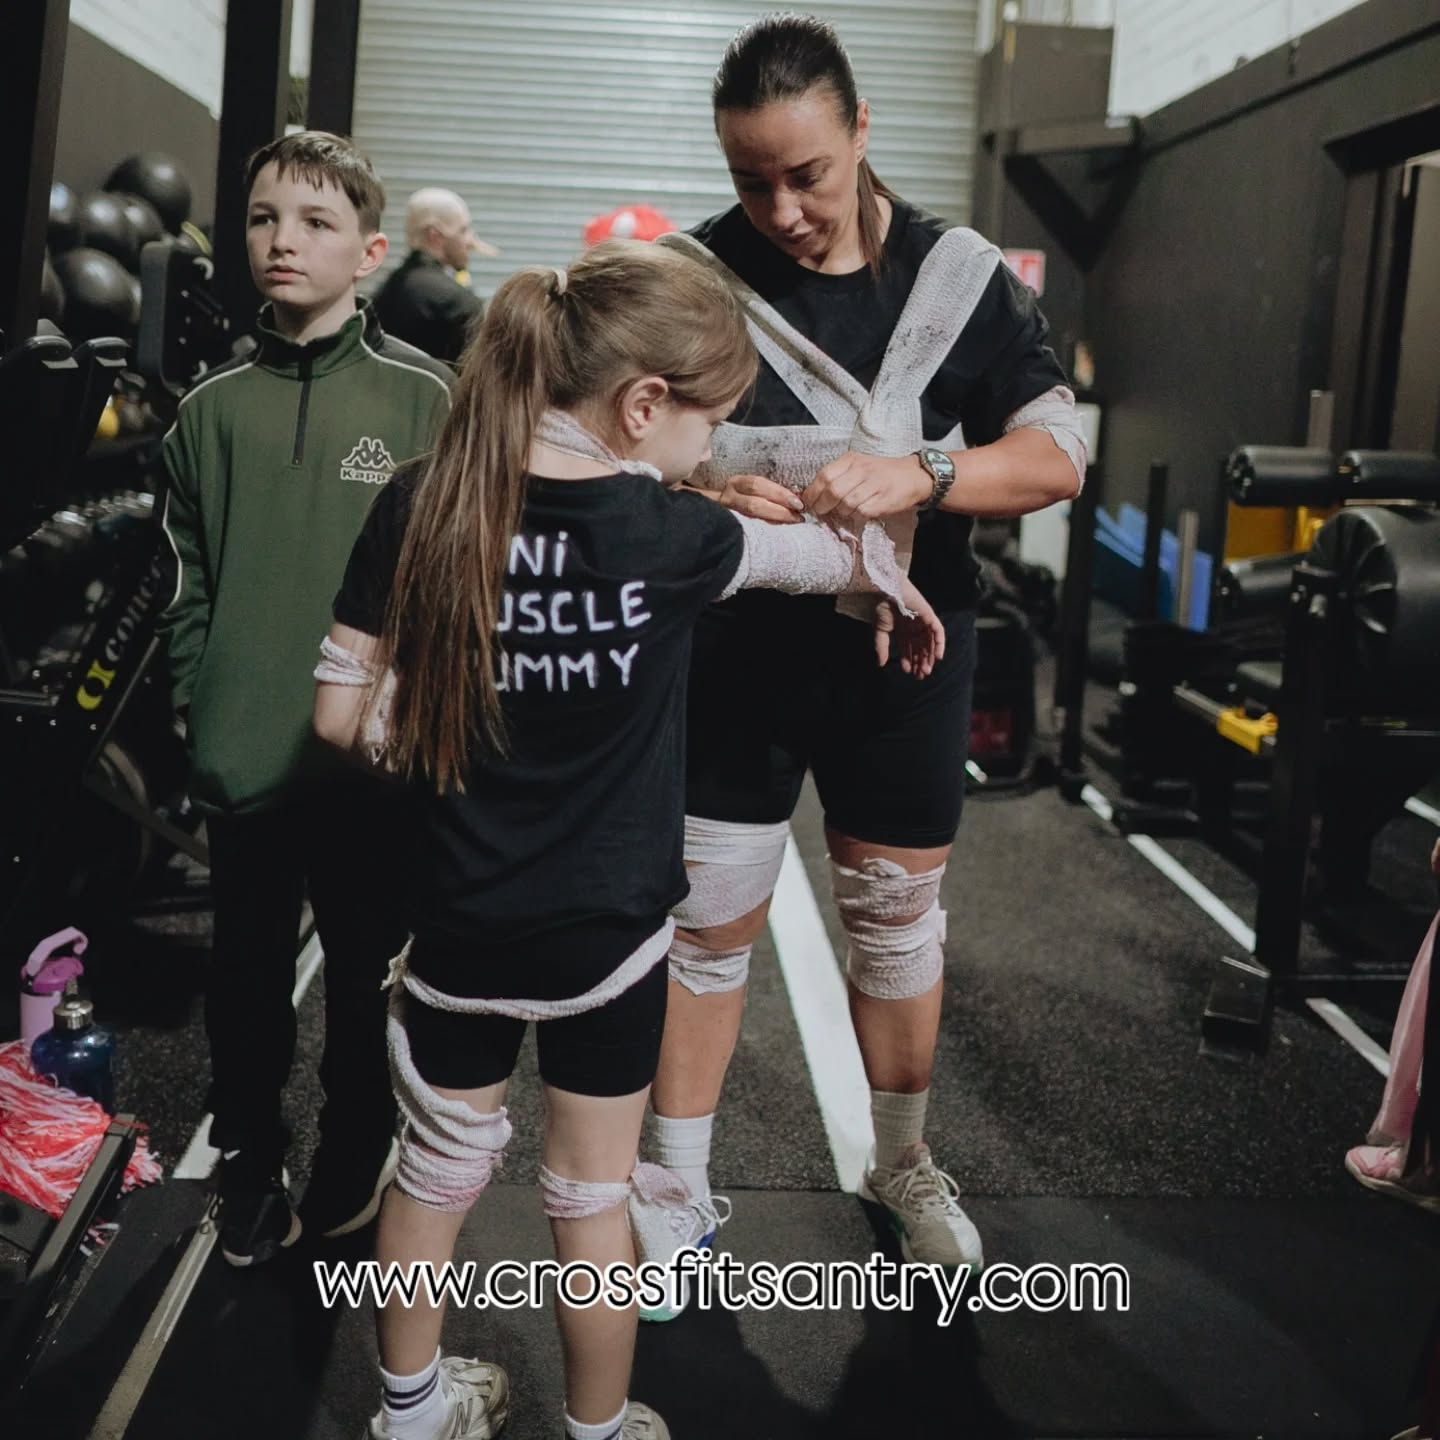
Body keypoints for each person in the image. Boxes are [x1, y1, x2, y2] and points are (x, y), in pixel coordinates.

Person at [312, 240, 943, 1440]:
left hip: (455, 923)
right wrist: (868, 564)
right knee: (590, 1198)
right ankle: (598, 1432)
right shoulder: (672, 536)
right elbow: (827, 563)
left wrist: (450, 722)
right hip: (605, 939)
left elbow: (340, 713)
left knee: (437, 1175)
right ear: (643, 404)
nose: (714, 448)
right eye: (710, 424)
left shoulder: (424, 497)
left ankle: (408, 1413)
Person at [628, 12, 1088, 1298]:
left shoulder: (956, 277)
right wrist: (710, 491)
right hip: (731, 661)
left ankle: (903, 1162)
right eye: (751, 181)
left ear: (862, 130)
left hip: (902, 662)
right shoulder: (691, 279)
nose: (781, 208)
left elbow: (1055, 457)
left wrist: (926, 468)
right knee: (705, 934)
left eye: (808, 173)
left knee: (894, 927)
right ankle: (673, 1187)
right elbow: (612, 453)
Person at [158, 131, 454, 1267]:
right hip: (246, 757)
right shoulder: (208, 409)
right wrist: (198, 703)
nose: (284, 240)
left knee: (370, 983)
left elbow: (455, 578)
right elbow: (187, 576)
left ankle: (358, 1147)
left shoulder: (428, 400)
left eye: (317, 222)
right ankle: (246, 1158)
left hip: (374, 767)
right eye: (266, 218)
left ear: (371, 251)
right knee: (243, 990)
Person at [373, 188, 498, 364]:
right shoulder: (455, 302)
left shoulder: (390, 288)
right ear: (436, 236)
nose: (470, 241)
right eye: (463, 230)